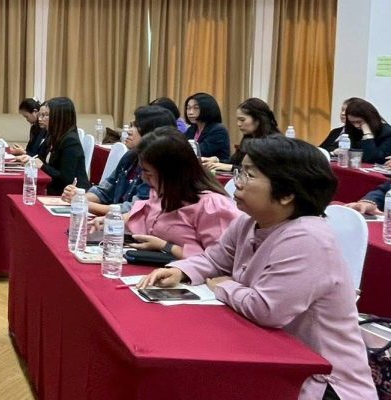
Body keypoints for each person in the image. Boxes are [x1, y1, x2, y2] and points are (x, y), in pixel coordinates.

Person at [138, 137, 378, 400]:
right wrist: (182, 271)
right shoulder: (250, 222)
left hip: (321, 380)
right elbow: (215, 259)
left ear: (287, 193)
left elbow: (265, 309)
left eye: (249, 175)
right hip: (270, 356)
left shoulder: (308, 238)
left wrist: (224, 285)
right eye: (240, 171)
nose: (238, 182)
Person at [94, 127, 238, 258]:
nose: (144, 178)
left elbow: (219, 261)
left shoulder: (212, 206)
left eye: (148, 173)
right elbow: (146, 212)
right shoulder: (163, 192)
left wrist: (166, 247)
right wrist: (116, 220)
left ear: (170, 172)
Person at [61, 105, 175, 216]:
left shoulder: (157, 169)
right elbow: (105, 191)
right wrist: (79, 197)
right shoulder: (130, 157)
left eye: (136, 127)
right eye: (131, 125)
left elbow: (134, 210)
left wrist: (84, 203)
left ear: (152, 132)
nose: (129, 131)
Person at [17, 97, 90, 196]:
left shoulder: (70, 141)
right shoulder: (51, 136)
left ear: (59, 117)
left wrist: (42, 166)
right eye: (41, 115)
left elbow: (66, 179)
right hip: (53, 188)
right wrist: (29, 159)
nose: (40, 119)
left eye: (46, 115)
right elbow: (41, 159)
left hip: (71, 195)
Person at [202, 97, 280, 172]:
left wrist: (231, 168)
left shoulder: (273, 143)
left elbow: (260, 171)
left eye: (242, 120)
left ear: (258, 120)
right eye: (238, 120)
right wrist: (217, 161)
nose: (238, 124)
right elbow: (234, 162)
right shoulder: (249, 138)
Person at [183, 92, 232, 162]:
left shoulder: (218, 130)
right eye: (188, 108)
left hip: (215, 168)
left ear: (207, 109)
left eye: (196, 108)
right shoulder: (191, 129)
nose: (190, 112)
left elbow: (199, 152)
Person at [344, 98, 391, 164]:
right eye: (352, 122)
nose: (356, 125)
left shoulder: (387, 132)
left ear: (370, 119)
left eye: (359, 122)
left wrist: (367, 135)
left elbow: (374, 159)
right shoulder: (354, 130)